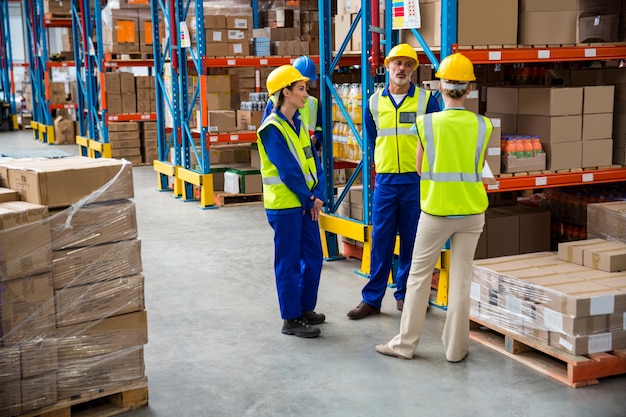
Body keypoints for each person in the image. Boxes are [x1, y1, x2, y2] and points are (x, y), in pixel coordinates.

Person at [374, 53, 492, 362]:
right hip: (471, 212)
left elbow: (419, 169)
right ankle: (456, 349)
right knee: (462, 278)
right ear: (469, 89)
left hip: (437, 210)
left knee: (417, 277)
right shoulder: (484, 126)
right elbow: (478, 166)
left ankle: (405, 345)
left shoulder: (426, 123)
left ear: (440, 85)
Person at [347, 44, 440, 320]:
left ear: (413, 69)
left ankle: (406, 296)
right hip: (386, 181)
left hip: (415, 180)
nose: (401, 69)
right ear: (387, 67)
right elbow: (373, 139)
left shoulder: (426, 100)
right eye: (396, 63)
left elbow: (433, 141)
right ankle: (372, 299)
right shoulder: (374, 103)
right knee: (381, 240)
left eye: (407, 64)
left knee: (413, 240)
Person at [257, 65, 327, 338]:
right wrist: (309, 199)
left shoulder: (298, 124)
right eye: (300, 89)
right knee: (288, 262)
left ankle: (304, 308)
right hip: (285, 207)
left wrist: (318, 193)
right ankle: (291, 318)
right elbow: (287, 170)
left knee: (313, 257)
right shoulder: (271, 129)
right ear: (285, 92)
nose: (305, 94)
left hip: (306, 203)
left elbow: (313, 162)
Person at [263, 56, 323, 153]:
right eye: (300, 88)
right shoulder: (273, 102)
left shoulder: (313, 103)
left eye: (305, 86)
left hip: (308, 151)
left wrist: (316, 138)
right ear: (287, 92)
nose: (305, 93)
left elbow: (319, 127)